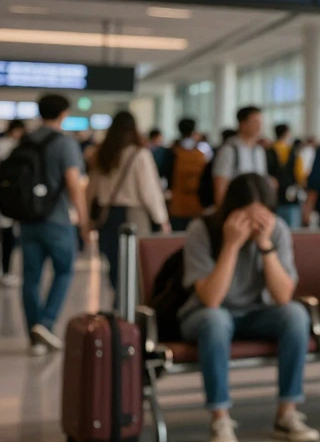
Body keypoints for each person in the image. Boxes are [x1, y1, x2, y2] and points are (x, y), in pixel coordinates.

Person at [178, 173, 319, 442]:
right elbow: (212, 298)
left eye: (261, 215)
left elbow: (282, 296)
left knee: (295, 315)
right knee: (216, 320)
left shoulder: (276, 230)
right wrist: (231, 244)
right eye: (245, 216)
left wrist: (265, 245)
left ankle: (287, 412)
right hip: (205, 317)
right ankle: (220, 418)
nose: (254, 223)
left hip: (257, 313)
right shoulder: (202, 230)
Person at [17, 95, 90, 356]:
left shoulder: (25, 140)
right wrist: (83, 220)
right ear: (64, 113)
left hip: (27, 220)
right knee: (64, 271)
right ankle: (46, 323)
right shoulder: (64, 143)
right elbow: (74, 183)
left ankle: (35, 335)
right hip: (57, 220)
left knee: (31, 278)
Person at [86, 111, 171, 292]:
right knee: (134, 268)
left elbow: (91, 190)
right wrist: (162, 219)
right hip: (134, 217)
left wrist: (87, 219)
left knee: (114, 266)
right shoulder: (139, 154)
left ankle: (118, 307)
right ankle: (128, 311)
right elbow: (150, 191)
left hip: (107, 216)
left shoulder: (102, 154)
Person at [212, 107, 269, 208]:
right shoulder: (229, 150)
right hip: (236, 208)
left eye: (261, 122)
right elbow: (220, 183)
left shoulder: (259, 151)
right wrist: (221, 211)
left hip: (256, 208)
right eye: (255, 122)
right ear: (242, 124)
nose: (259, 126)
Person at [168, 118, 210, 232]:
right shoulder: (200, 154)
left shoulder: (173, 152)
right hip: (196, 203)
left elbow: (167, 175)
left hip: (177, 202)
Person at [0, 120, 27, 288]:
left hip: (7, 200)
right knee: (8, 236)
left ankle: (6, 271)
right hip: (8, 199)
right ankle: (6, 272)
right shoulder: (13, 147)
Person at [268, 124, 306, 229]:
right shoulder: (293, 152)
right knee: (293, 230)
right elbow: (300, 176)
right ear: (287, 133)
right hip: (291, 196)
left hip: (272, 197)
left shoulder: (268, 150)